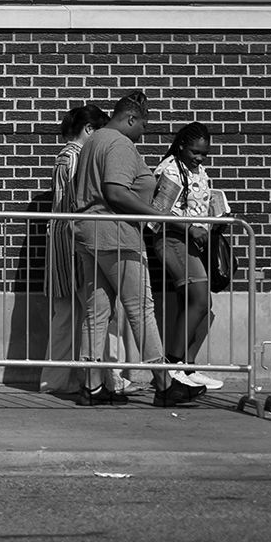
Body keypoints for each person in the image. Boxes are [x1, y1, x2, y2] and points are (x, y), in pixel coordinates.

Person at [70, 91, 199, 410]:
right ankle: (165, 383)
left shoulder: (94, 141)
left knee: (96, 311)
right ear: (130, 118)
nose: (144, 132)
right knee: (141, 307)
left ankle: (91, 385)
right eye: (143, 124)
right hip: (116, 235)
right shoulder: (119, 144)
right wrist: (168, 219)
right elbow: (115, 192)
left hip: (89, 233)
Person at [148, 121, 228, 392]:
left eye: (205, 153)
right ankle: (173, 366)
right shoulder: (170, 169)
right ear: (181, 146)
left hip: (193, 243)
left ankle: (187, 367)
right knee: (201, 301)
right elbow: (159, 211)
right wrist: (190, 228)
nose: (200, 158)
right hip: (173, 240)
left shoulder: (197, 169)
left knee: (197, 305)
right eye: (195, 152)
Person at [41, 103, 104, 397]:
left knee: (67, 313)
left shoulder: (64, 157)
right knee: (73, 312)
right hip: (73, 244)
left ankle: (58, 379)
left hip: (64, 241)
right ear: (89, 130)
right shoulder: (75, 158)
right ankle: (60, 379)